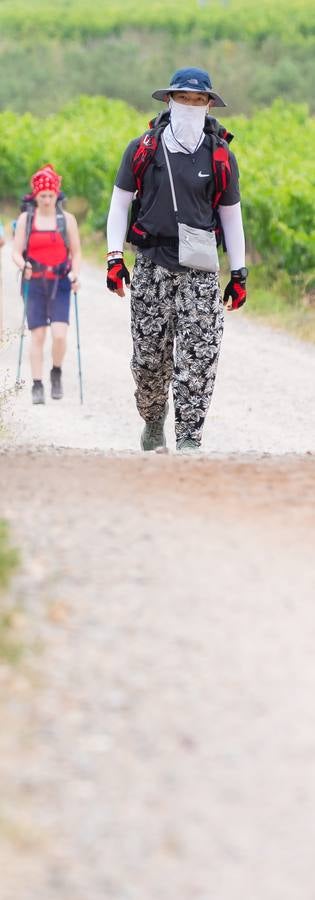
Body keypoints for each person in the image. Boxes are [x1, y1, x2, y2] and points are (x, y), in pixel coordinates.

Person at [106, 66, 247, 452]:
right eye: (183, 98)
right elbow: (120, 204)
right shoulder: (142, 149)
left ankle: (189, 438)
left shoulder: (219, 155)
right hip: (152, 263)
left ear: (208, 104)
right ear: (169, 100)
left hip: (201, 270)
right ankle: (153, 419)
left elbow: (231, 215)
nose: (190, 106)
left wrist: (239, 273)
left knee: (199, 354)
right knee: (149, 357)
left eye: (198, 100)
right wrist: (114, 258)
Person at [12, 164, 81, 404]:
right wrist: (24, 266)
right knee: (38, 334)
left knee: (60, 335)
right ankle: (37, 384)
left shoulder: (67, 220)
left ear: (56, 194)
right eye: (43, 196)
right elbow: (16, 252)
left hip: (61, 281)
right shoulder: (26, 219)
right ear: (35, 196)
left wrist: (75, 275)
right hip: (34, 284)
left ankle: (56, 371)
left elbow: (77, 253)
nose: (47, 200)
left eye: (51, 195)